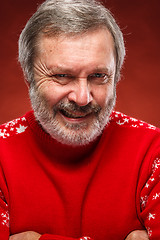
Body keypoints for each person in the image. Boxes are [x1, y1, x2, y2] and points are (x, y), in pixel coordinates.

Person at [0, 0, 160, 239]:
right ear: (28, 77)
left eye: (98, 76)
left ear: (116, 77)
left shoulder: (153, 150)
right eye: (62, 76)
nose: (83, 98)